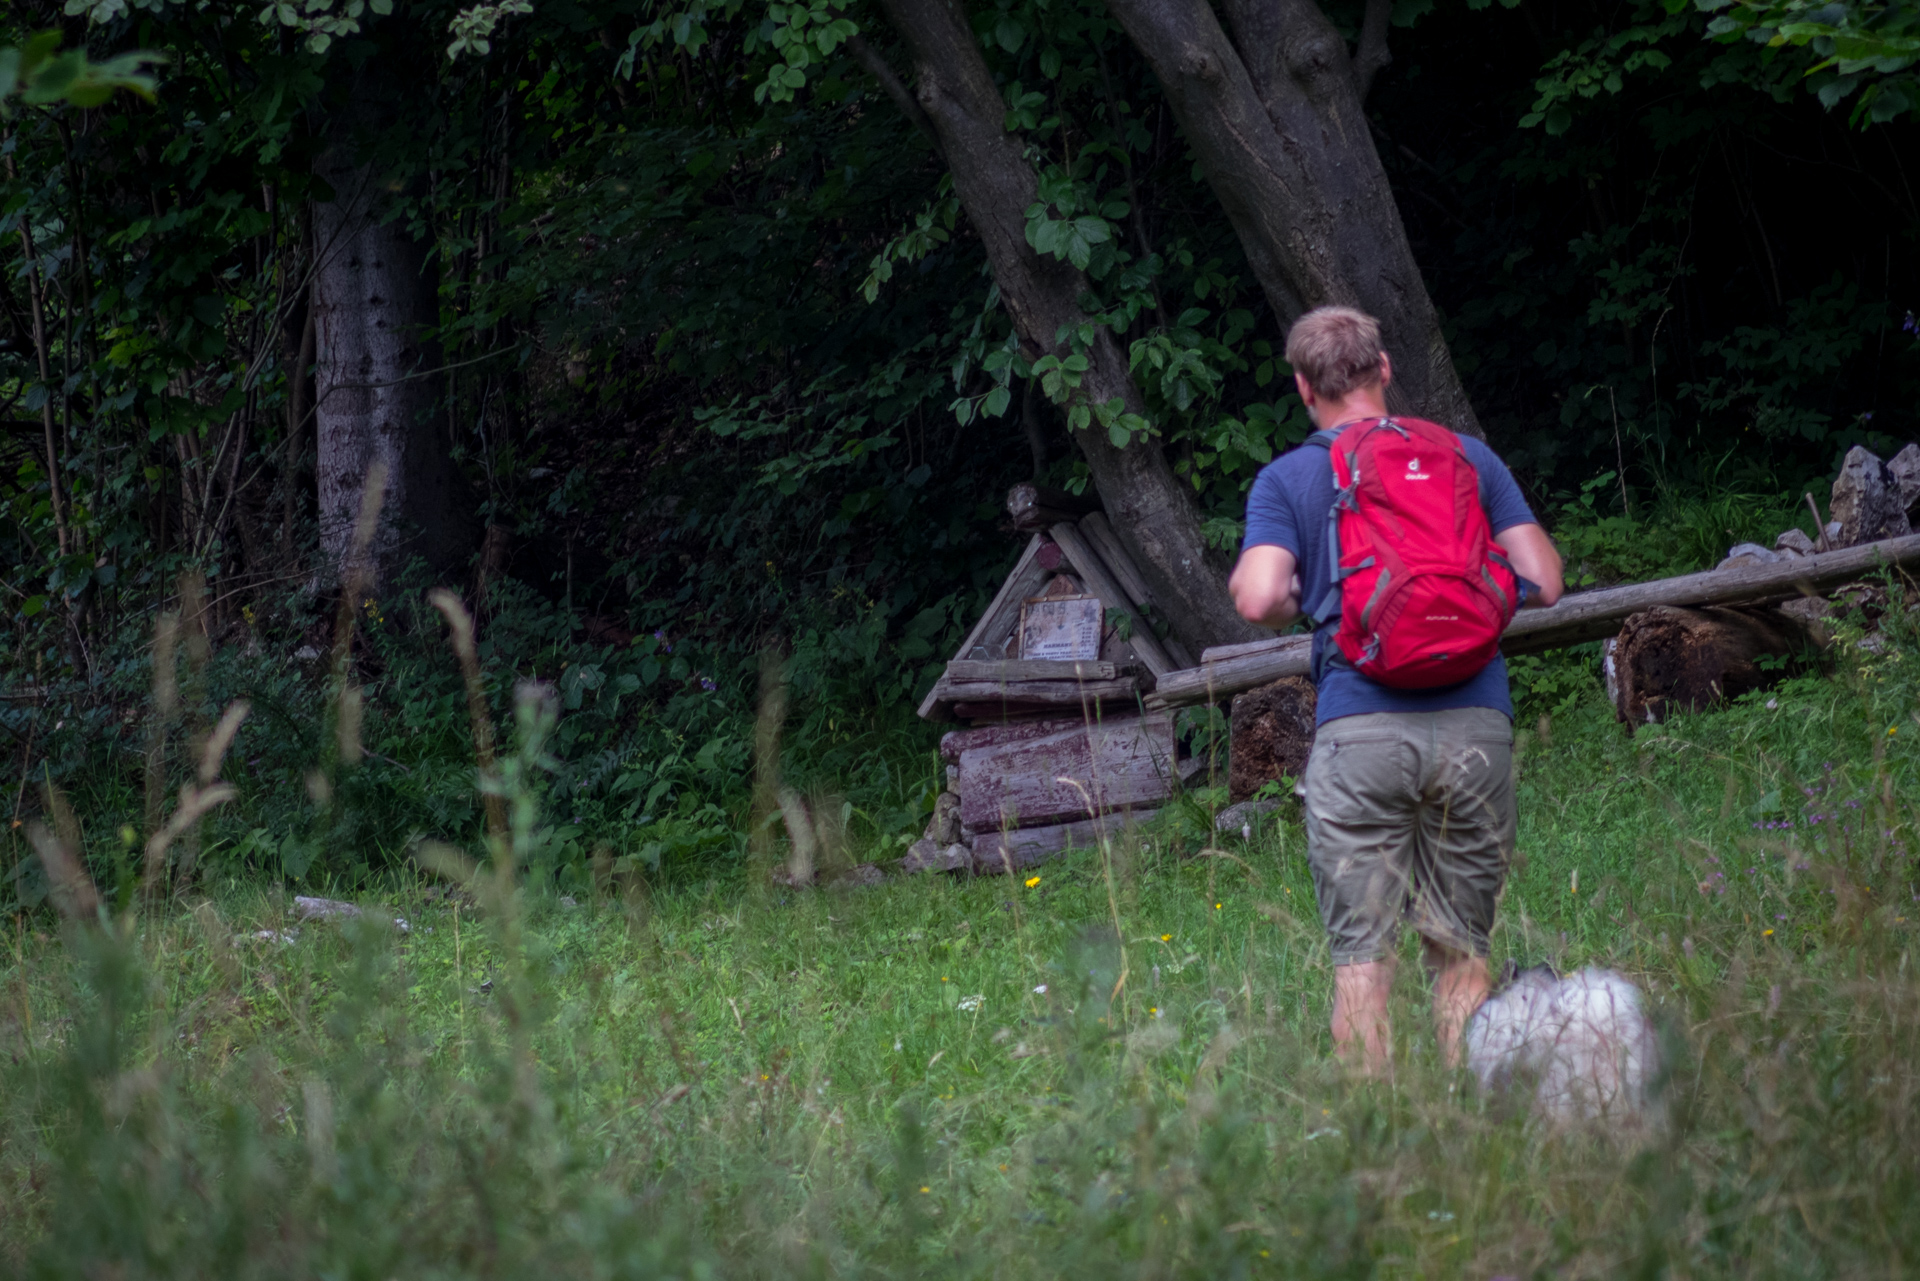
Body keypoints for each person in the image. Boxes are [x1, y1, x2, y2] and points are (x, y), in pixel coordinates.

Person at [1228, 306, 1565, 1077]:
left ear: (1303, 388)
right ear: (1385, 371)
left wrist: (1312, 596)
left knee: (1362, 961)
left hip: (1361, 732)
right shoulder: (1468, 458)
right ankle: (1475, 1133)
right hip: (1476, 723)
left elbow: (1256, 597)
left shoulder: (1290, 477)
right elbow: (1545, 579)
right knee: (1460, 951)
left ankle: (1377, 1151)